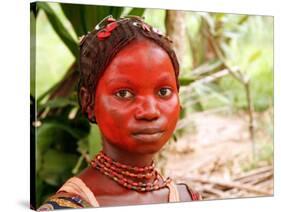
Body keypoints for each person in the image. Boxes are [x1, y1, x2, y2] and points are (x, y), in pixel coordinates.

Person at [37, 15, 201, 211]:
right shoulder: (69, 206)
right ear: (89, 101)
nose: (149, 111)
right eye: (124, 93)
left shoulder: (187, 198)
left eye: (163, 91)